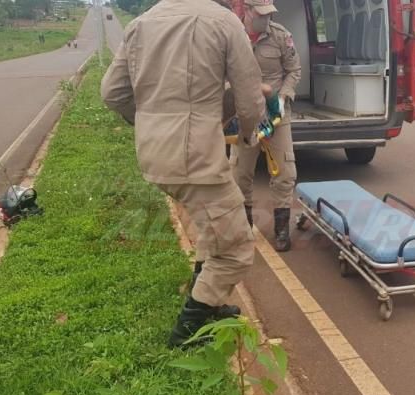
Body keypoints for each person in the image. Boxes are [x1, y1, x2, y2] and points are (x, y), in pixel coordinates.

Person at [101, 0, 265, 348]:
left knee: (211, 229)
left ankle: (209, 303)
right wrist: (248, 135)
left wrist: (150, 122)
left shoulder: (141, 23)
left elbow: (112, 93)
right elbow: (250, 99)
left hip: (155, 156)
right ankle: (187, 331)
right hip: (197, 161)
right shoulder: (224, 22)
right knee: (236, 248)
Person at [230, 0, 301, 252]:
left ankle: (282, 229)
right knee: (240, 174)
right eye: (261, 14)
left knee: (285, 173)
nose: (267, 19)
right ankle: (244, 226)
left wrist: (283, 97)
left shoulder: (281, 36)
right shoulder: (231, 34)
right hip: (244, 116)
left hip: (276, 115)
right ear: (248, 11)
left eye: (270, 14)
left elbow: (294, 70)